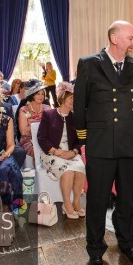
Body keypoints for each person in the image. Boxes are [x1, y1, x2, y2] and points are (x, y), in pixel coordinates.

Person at [74, 20, 133, 265]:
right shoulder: (90, 64)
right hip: (100, 145)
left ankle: (128, 243)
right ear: (114, 38)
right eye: (131, 37)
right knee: (98, 202)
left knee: (126, 201)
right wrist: (84, 141)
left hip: (130, 144)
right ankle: (96, 251)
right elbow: (80, 107)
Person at [37, 82, 86, 219]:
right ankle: (66, 204)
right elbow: (41, 137)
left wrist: (74, 152)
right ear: (63, 99)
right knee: (68, 171)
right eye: (71, 99)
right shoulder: (48, 114)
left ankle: (76, 201)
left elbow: (80, 140)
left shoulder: (75, 117)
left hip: (70, 153)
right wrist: (57, 152)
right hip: (51, 153)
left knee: (81, 167)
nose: (73, 102)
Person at [18, 82, 50, 157]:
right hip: (29, 140)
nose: (41, 96)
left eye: (42, 94)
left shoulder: (48, 108)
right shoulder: (24, 110)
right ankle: (38, 168)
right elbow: (23, 132)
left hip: (45, 139)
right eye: (38, 94)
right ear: (32, 95)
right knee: (38, 152)